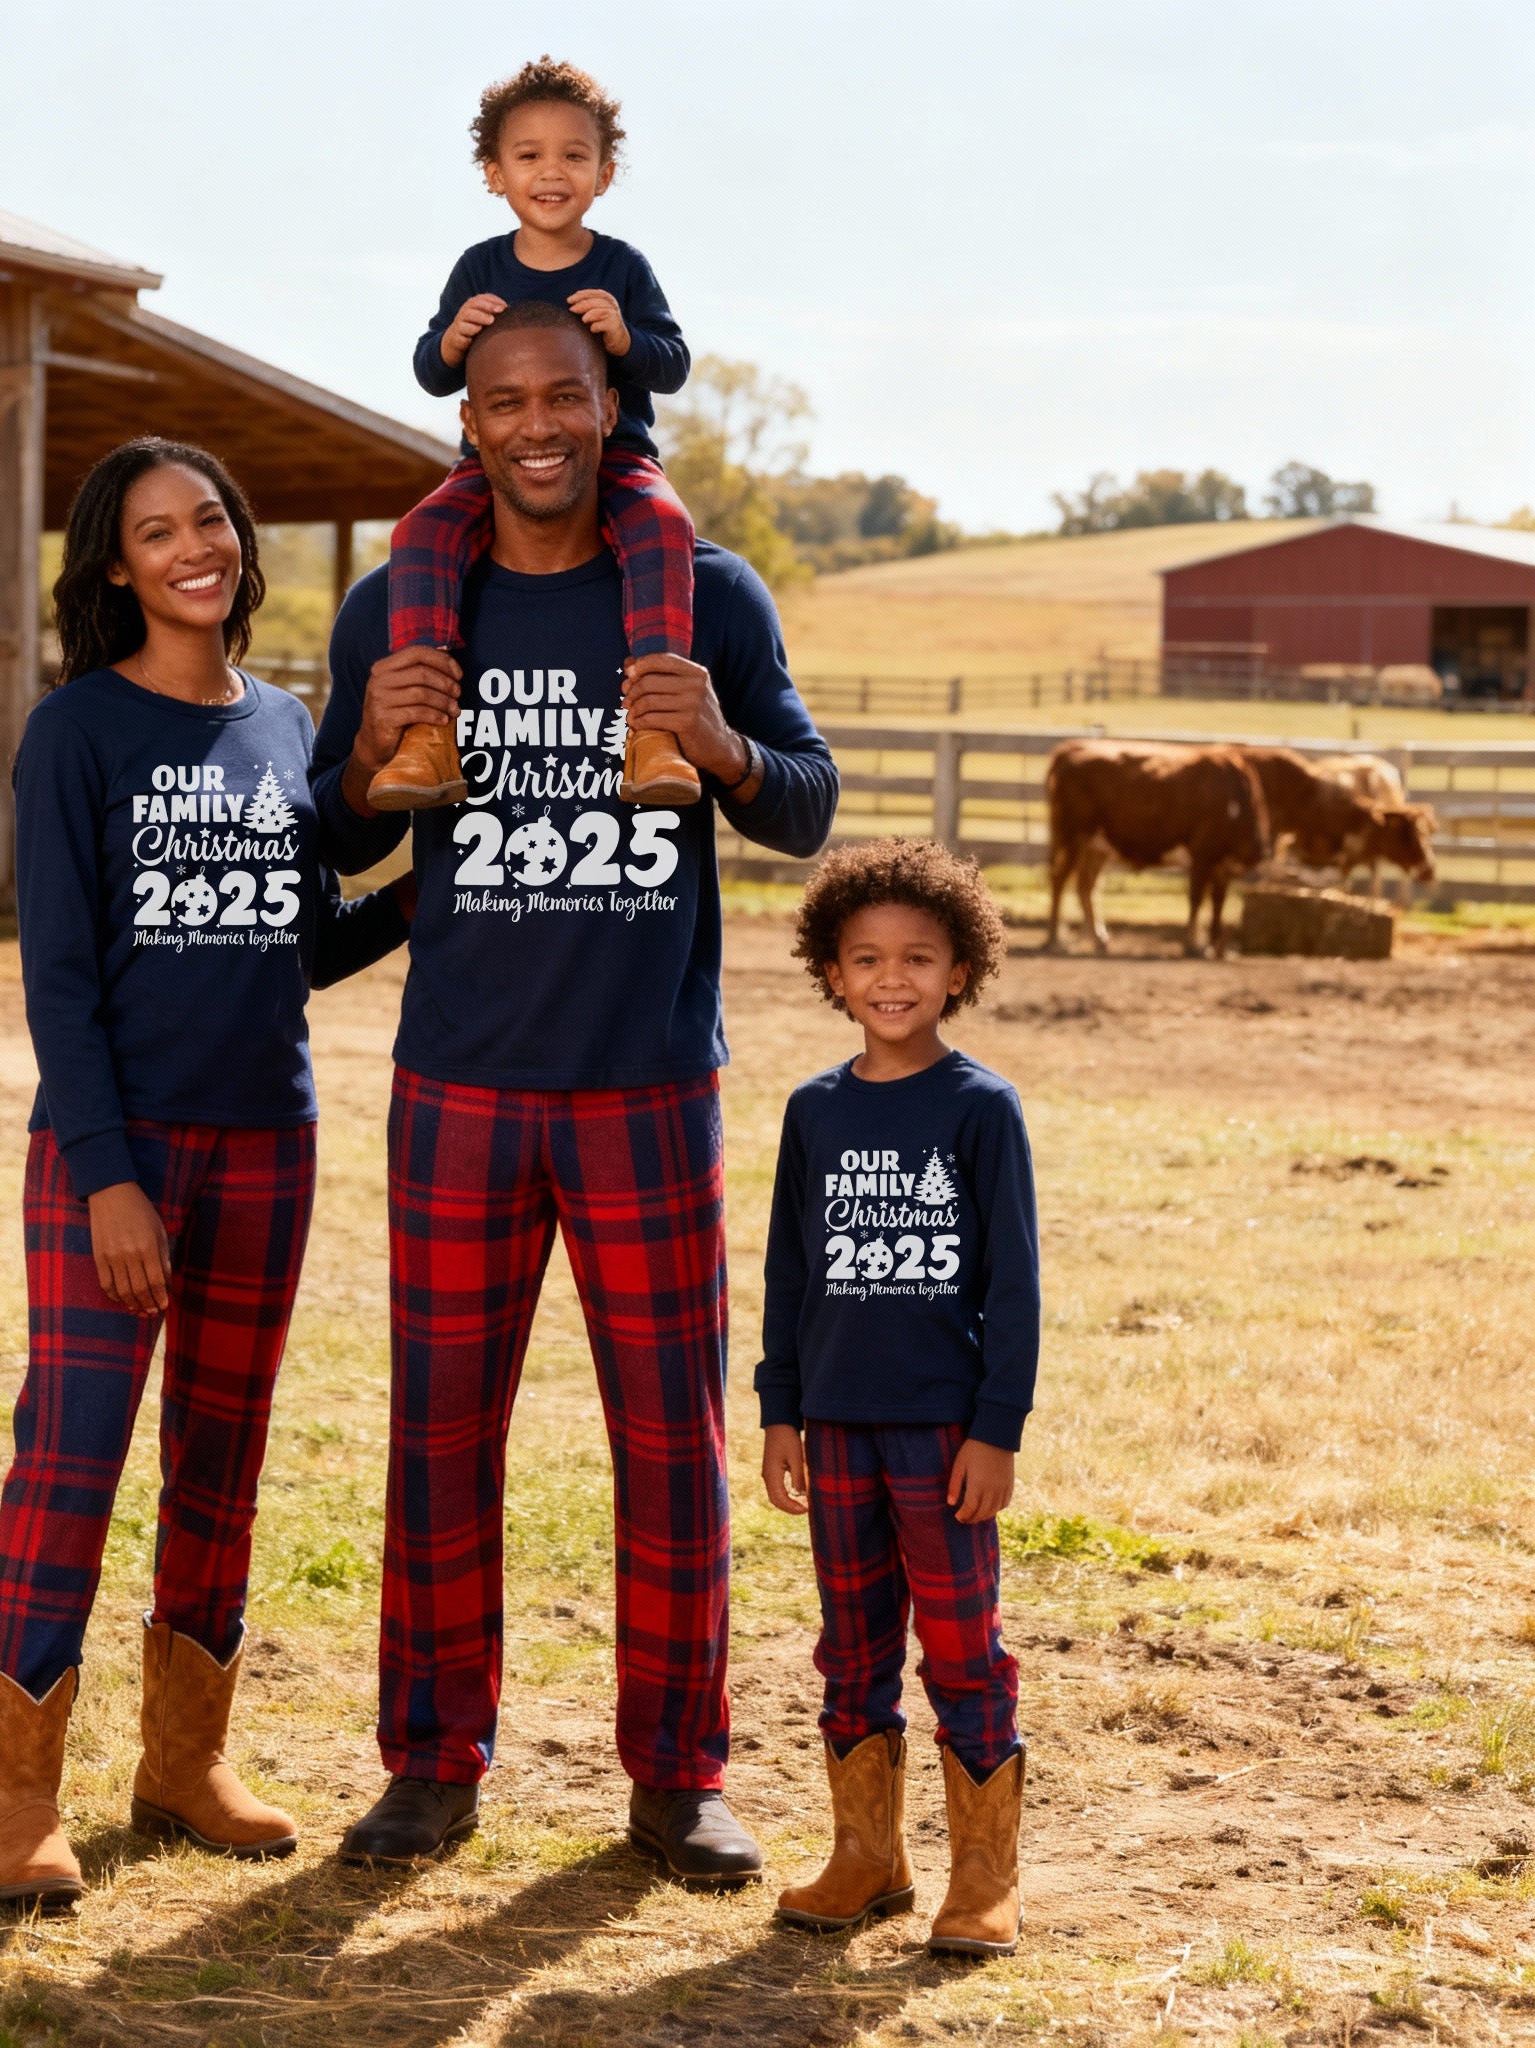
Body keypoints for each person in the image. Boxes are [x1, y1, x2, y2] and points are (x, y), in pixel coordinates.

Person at [310, 299, 841, 1887]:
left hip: (646, 1088)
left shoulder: (705, 597)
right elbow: (336, 841)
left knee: (671, 1449)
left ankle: (678, 1778)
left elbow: (807, 813)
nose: (537, 421)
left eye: (567, 394)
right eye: (505, 399)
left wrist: (726, 749)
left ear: (613, 405)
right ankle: (429, 1765)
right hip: (460, 1085)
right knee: (439, 1437)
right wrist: (364, 761)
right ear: (467, 422)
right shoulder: (399, 605)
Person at [0, 437, 414, 1905]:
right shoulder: (75, 731)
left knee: (221, 1462)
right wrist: (106, 1174)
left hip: (268, 1143)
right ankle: (17, 1799)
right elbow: (61, 977)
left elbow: (305, 940)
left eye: (208, 520)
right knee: (73, 1462)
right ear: (115, 565)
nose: (191, 547)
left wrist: (435, 882)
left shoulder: (286, 725)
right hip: (118, 1152)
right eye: (155, 532)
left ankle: (182, 1765)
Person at [757, 840, 1037, 1955]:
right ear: (830, 971)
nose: (891, 977)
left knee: (963, 1649)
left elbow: (1011, 1283)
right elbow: (786, 1266)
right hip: (836, 1426)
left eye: (918, 957)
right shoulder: (811, 1109)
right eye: (865, 956)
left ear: (959, 969)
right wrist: (781, 1406)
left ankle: (982, 1877)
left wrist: (994, 1428)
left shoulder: (981, 1107)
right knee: (850, 1644)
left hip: (940, 1431)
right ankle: (865, 1856)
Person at [368, 54, 699, 813]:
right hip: (494, 469)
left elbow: (672, 364)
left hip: (612, 459)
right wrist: (454, 339)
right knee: (420, 533)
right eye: (529, 156)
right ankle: (426, 738)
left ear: (604, 174)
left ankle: (655, 734)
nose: (552, 172)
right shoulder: (478, 268)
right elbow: (431, 370)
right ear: (494, 173)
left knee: (663, 524)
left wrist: (625, 340)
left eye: (574, 156)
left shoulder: (622, 267)